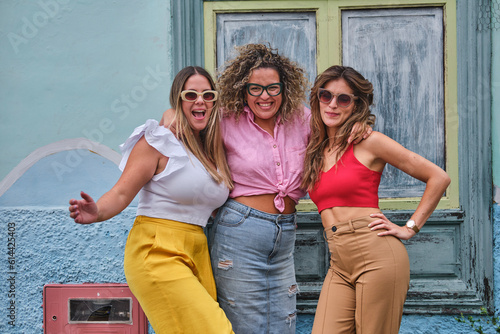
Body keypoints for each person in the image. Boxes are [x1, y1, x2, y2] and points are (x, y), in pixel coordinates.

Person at [68, 66, 234, 334]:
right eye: (190, 95)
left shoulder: (211, 150)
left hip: (197, 249)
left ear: (215, 102)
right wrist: (97, 212)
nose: (200, 100)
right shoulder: (158, 142)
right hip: (156, 250)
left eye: (207, 95)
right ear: (178, 100)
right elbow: (121, 193)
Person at [301, 65, 451, 334]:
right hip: (339, 261)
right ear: (317, 98)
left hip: (377, 255)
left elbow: (438, 178)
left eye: (343, 99)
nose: (332, 104)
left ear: (356, 105)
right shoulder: (316, 148)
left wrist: (409, 227)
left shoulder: (369, 142)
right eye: (326, 96)